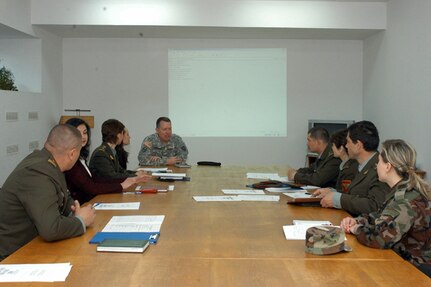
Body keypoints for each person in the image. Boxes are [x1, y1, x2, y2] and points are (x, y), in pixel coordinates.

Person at [0, 124, 96, 261]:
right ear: (72, 154)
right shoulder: (38, 173)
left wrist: (74, 210)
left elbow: (64, 197)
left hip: (32, 245)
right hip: (12, 256)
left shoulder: (48, 163)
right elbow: (51, 229)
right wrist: (81, 221)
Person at [340, 139, 431, 278]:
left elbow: (379, 240)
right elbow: (378, 216)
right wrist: (357, 221)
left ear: (388, 166)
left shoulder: (405, 202)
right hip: (401, 260)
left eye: (379, 161)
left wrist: (355, 229)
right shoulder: (400, 191)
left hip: (414, 269)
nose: (376, 165)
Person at [314, 121, 390, 216]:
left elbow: (374, 205)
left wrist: (339, 199)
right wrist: (333, 192)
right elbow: (357, 194)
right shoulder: (362, 165)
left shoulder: (380, 167)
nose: (346, 146)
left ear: (358, 145)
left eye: (348, 142)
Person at [64, 118, 149, 204]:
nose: (83, 136)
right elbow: (94, 185)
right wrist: (123, 184)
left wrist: (133, 177)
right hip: (83, 205)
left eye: (85, 132)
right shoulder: (75, 159)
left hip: (92, 201)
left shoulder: (81, 157)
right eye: (78, 133)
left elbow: (97, 179)